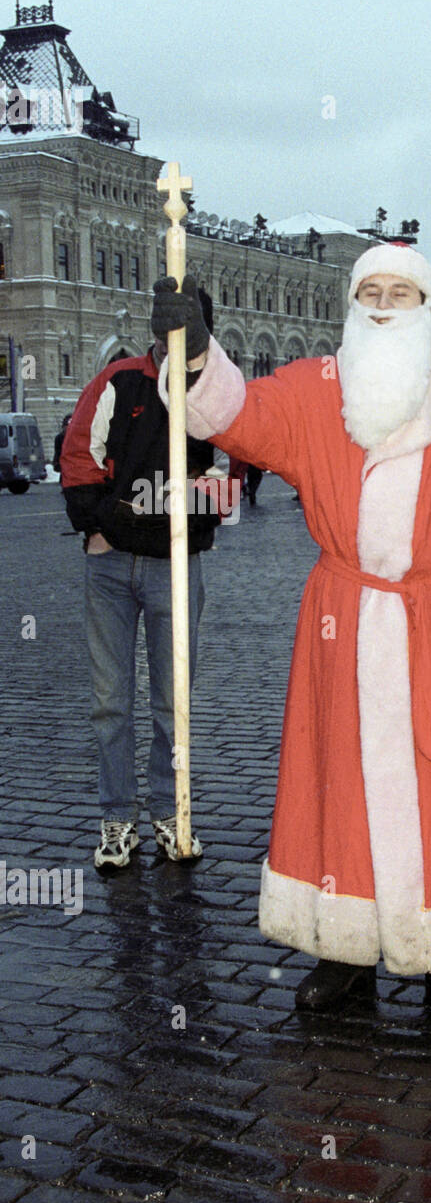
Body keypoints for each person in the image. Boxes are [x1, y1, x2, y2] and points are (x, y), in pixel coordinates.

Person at [152, 243, 431, 1012]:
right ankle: (343, 947)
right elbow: (241, 417)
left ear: (425, 305)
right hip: (343, 618)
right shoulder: (318, 386)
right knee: (338, 778)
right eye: (371, 291)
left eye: (401, 292)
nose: (385, 304)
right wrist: (192, 353)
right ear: (353, 304)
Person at [61, 288, 223, 869]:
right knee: (111, 701)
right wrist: (101, 524)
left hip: (177, 567)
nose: (170, 338)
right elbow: (79, 453)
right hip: (110, 567)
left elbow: (230, 469)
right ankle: (117, 818)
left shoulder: (216, 390)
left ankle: (168, 810)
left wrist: (179, 522)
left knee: (171, 703)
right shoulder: (119, 379)